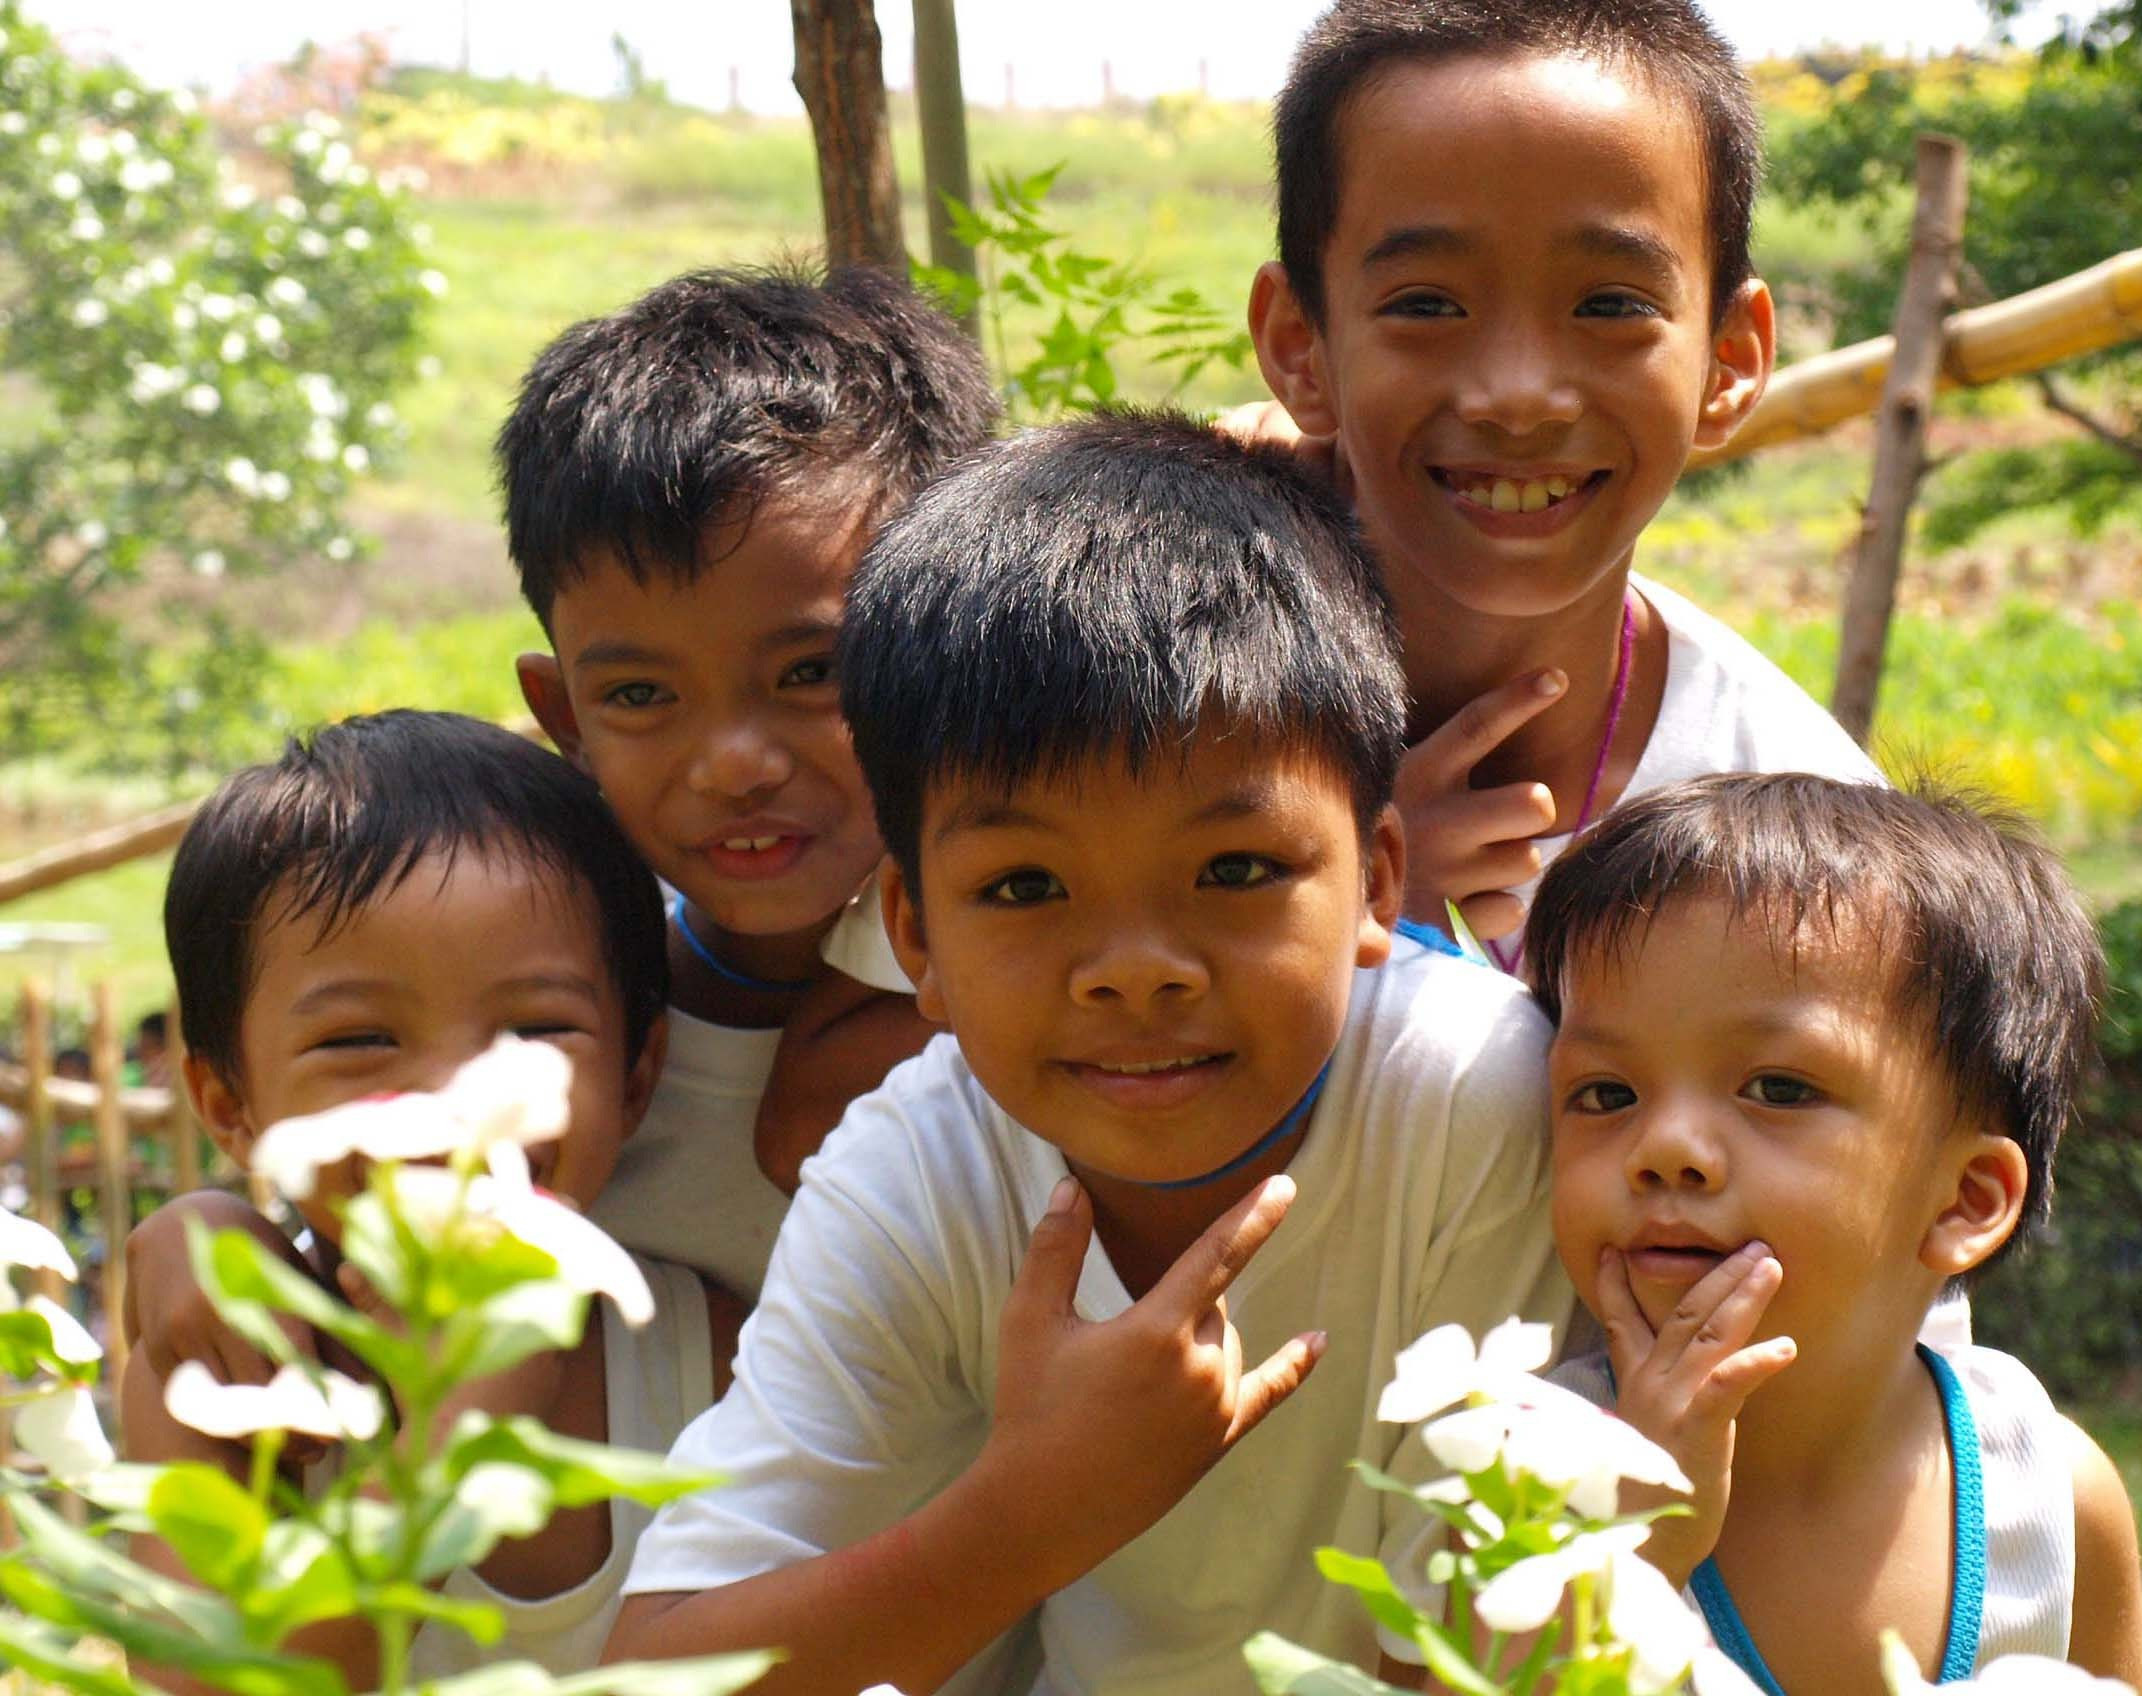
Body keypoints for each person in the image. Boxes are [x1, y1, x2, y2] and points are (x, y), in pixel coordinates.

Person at [607, 412, 1570, 1694]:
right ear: (916, 939)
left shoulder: (1476, 1103)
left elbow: (1475, 1647)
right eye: (1023, 887)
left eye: (1234, 870)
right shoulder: (921, 1166)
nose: (1135, 967)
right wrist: (1026, 1520)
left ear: (1376, 883)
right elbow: (653, 1669)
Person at [122, 266, 997, 1391]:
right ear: (563, 717)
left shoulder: (1038, 1010)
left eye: (812, 670)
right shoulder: (546, 1043)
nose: (732, 761)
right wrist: (213, 1232)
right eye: (641, 695)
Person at [1245, 0, 1882, 967]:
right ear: (1298, 345)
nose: (1518, 397)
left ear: (1729, 359)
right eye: (1425, 304)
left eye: (1610, 304)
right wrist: (1334, 883)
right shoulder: (1126, 710)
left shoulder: (1814, 863)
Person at [123, 710, 738, 1680]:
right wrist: (468, 1416)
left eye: (536, 1028)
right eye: (358, 1040)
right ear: (229, 1104)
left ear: (634, 1076)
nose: (457, 1103)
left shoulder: (719, 1361)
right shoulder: (224, 1383)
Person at [1519, 773, 2142, 1693]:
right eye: (1605, 1094)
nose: (1662, 1148)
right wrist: (1627, 1555)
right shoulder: (1519, 1479)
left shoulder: (2049, 1498)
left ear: (1965, 1200)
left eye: (1777, 1089)